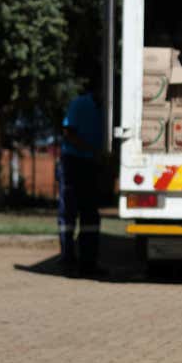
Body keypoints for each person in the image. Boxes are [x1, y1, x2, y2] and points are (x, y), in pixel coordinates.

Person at [59, 71, 103, 273]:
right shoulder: (80, 104)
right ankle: (68, 256)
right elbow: (69, 134)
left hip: (91, 164)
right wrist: (91, 150)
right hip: (74, 162)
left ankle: (88, 261)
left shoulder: (106, 108)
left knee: (90, 214)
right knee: (70, 210)